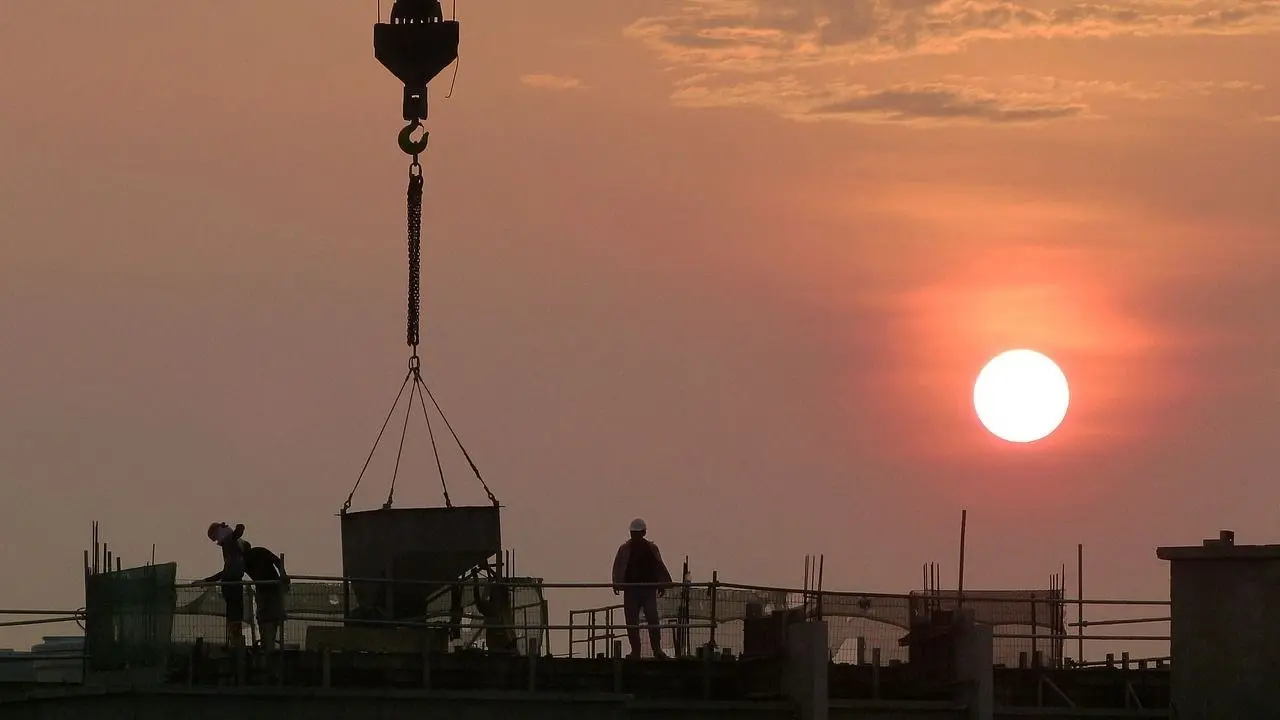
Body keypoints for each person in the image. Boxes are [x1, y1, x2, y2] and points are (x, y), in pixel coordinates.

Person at [611, 518, 672, 659]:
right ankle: (636, 651)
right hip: (631, 589)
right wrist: (616, 582)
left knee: (652, 619)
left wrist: (661, 583)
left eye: (637, 533)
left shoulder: (651, 548)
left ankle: (656, 650)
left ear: (643, 533)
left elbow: (658, 566)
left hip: (648, 588)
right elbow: (618, 566)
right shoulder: (625, 549)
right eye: (634, 533)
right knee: (632, 621)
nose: (635, 535)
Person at [202, 522, 247, 648]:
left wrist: (236, 529)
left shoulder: (230, 542)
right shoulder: (232, 545)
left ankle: (234, 640)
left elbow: (239, 530)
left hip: (231, 583)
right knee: (235, 613)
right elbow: (227, 571)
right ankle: (234, 640)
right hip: (232, 583)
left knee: (234, 613)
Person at [243, 542, 289, 652]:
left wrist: (283, 575)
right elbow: (277, 561)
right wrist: (283, 575)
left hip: (270, 589)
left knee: (266, 617)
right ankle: (267, 644)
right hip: (268, 589)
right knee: (268, 617)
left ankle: (267, 644)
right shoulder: (255, 554)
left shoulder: (249, 557)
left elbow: (277, 561)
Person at [471, 568, 518, 653]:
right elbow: (501, 584)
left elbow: (477, 600)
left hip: (501, 642)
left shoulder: (492, 607)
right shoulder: (502, 605)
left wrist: (476, 579)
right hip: (505, 641)